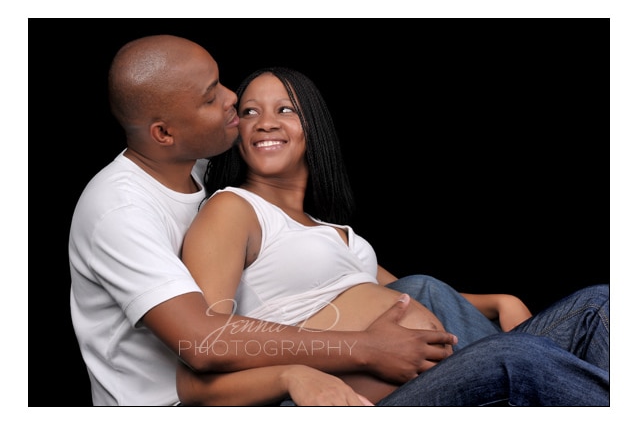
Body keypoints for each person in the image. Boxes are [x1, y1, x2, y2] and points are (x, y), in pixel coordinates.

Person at [69, 34, 465, 406]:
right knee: (502, 361)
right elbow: (201, 342)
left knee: (426, 291)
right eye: (211, 97)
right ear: (163, 133)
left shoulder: (200, 170)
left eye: (221, 82)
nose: (231, 98)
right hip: (181, 407)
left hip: (257, 383)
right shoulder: (120, 211)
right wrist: (357, 351)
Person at [175, 67, 609, 406]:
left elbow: (411, 294)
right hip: (360, 402)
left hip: (445, 366)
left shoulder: (334, 233)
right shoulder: (234, 208)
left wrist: (500, 300)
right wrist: (309, 369)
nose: (265, 123)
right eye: (250, 112)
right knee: (518, 360)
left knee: (598, 305)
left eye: (285, 109)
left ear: (314, 125)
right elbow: (202, 349)